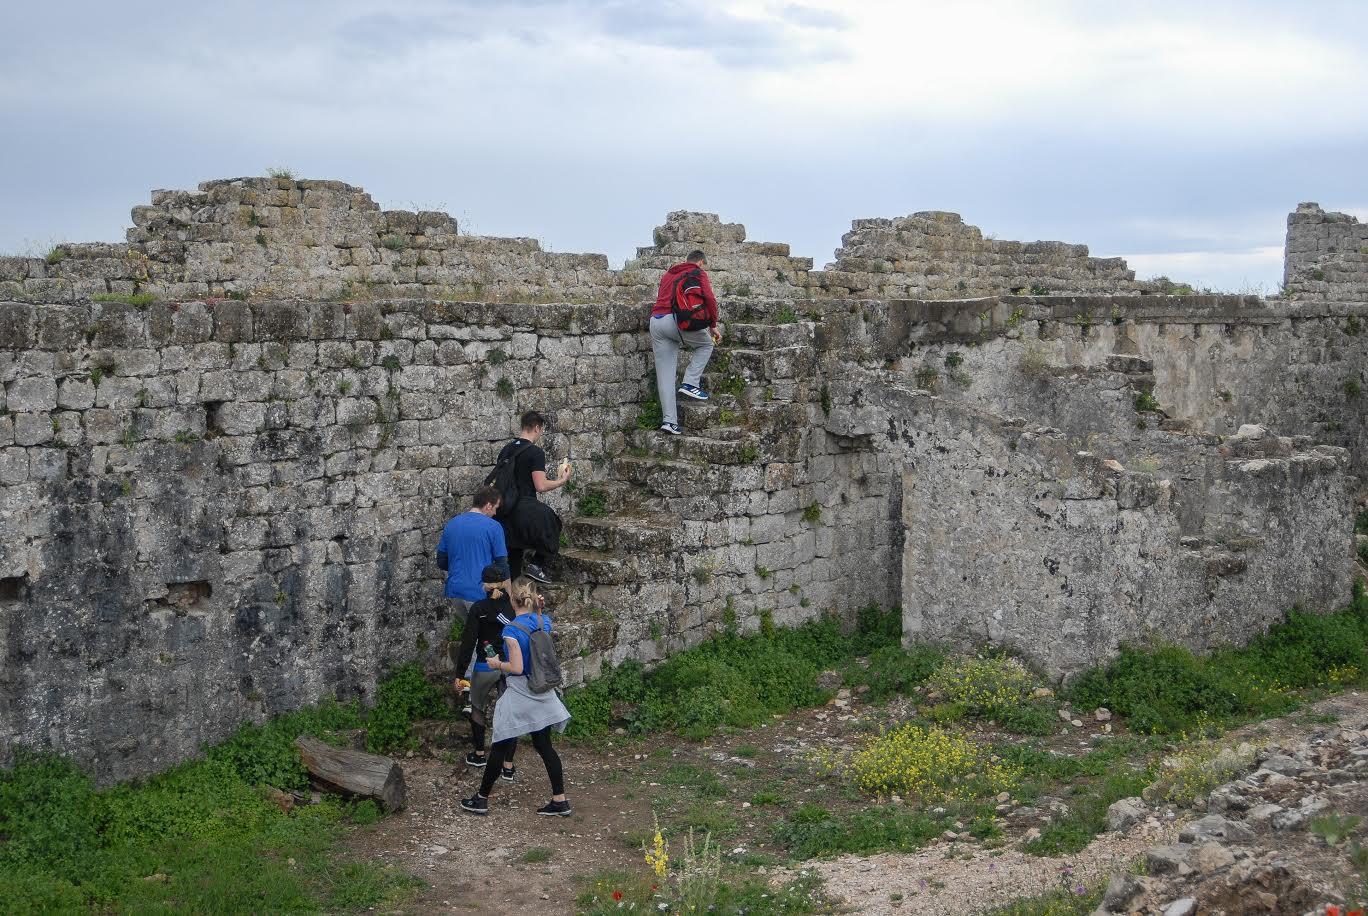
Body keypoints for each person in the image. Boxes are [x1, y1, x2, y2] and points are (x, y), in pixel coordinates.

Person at [461, 577, 572, 817]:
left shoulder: (511, 630)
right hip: (542, 691)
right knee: (545, 746)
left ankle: (481, 799)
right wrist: (540, 609)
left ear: (512, 600)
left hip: (521, 692)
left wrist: (496, 663)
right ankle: (560, 800)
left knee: (500, 744)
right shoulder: (543, 620)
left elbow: (518, 667)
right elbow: (539, 628)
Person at [452, 564, 519, 777]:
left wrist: (460, 674)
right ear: (503, 583)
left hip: (484, 665)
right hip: (508, 666)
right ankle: (508, 765)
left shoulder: (479, 608)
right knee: (510, 713)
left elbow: (468, 642)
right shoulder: (512, 607)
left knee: (478, 709)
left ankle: (480, 754)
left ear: (484, 584)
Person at [651, 249, 723, 436]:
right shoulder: (698, 272)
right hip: (674, 321)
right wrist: (712, 325)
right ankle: (690, 383)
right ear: (700, 262)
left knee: (665, 376)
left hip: (656, 322)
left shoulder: (668, 273)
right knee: (706, 344)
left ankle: (669, 422)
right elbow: (709, 298)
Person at [496, 411, 571, 584]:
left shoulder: (506, 450)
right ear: (537, 428)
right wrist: (562, 480)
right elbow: (541, 486)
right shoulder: (535, 452)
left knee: (514, 550)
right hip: (525, 506)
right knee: (553, 523)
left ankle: (512, 598)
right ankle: (537, 565)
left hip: (504, 508)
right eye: (541, 430)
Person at [436, 485, 509, 620]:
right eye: (495, 508)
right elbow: (502, 565)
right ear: (488, 505)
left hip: (455, 591)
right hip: (479, 592)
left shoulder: (452, 524)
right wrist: (510, 597)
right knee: (486, 637)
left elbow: (441, 561)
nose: (495, 513)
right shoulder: (493, 526)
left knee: (469, 632)